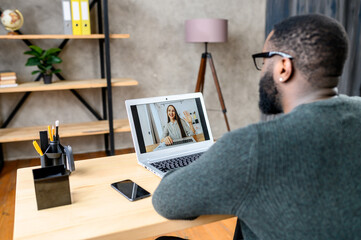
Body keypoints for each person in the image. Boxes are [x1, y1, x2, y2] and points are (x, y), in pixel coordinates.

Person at [152, 14, 361, 240]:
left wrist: (214, 161)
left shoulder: (253, 146)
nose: (262, 71)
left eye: (264, 61)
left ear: (283, 67)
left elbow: (166, 201)